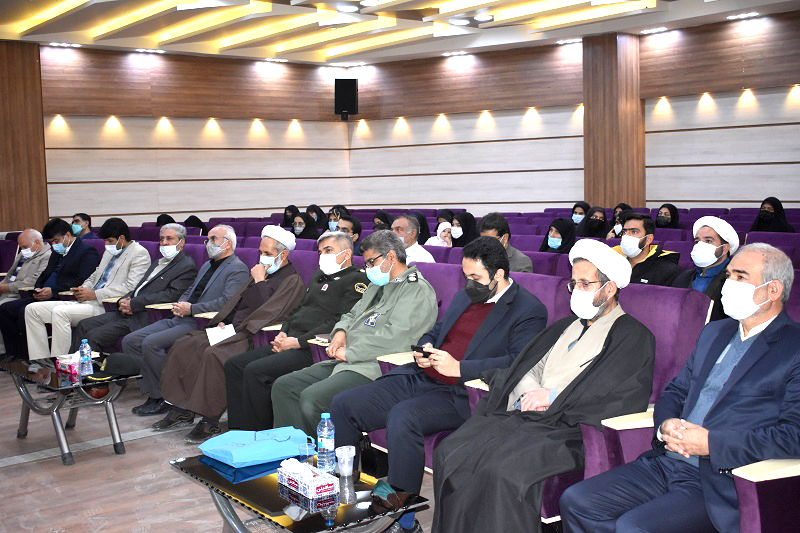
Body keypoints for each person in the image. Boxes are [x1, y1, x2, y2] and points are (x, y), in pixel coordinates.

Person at [560, 243, 798, 533]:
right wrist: (666, 425)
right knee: (577, 501)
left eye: (740, 276)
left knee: (633, 527)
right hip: (667, 462)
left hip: (721, 479)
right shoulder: (715, 332)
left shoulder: (793, 348)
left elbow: (793, 436)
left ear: (773, 290)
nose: (729, 284)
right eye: (728, 275)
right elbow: (675, 391)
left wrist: (712, 444)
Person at [431, 239, 655, 533]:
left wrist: (552, 396)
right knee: (450, 451)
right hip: (526, 416)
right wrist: (529, 392)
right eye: (573, 284)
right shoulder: (566, 325)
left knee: (502, 472)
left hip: (569, 430)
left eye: (585, 284)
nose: (576, 291)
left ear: (610, 288)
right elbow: (529, 365)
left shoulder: (633, 336)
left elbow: (618, 394)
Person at [330, 237, 548, 527]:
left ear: (498, 274)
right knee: (344, 404)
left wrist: (460, 368)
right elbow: (437, 330)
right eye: (466, 275)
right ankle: (346, 492)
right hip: (423, 376)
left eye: (475, 277)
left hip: (463, 393)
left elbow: (517, 362)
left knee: (403, 416)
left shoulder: (528, 309)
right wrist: (425, 347)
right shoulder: (465, 296)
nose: (469, 283)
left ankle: (401, 520)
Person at [271, 230, 438, 436]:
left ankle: (328, 454)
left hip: (376, 367)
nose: (368, 269)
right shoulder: (378, 285)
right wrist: (341, 331)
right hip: (347, 361)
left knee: (312, 398)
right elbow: (351, 314)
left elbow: (396, 337)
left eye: (371, 262)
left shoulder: (416, 289)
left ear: (391, 256)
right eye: (366, 263)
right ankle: (294, 449)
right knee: (284, 386)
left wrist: (350, 352)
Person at [156, 225, 306, 442]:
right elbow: (237, 302)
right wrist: (224, 321)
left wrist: (259, 281)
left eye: (267, 253)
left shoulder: (291, 280)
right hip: (232, 328)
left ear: (283, 255)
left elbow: (270, 312)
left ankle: (210, 420)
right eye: (261, 252)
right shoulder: (261, 271)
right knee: (186, 344)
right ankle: (182, 408)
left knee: (214, 354)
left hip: (253, 335)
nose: (262, 257)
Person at [224, 231, 369, 431]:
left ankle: (258, 433)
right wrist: (283, 332)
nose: (323, 255)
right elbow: (298, 309)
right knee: (234, 365)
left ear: (346, 254)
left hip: (313, 347)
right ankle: (238, 430)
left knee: (256, 371)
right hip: (290, 339)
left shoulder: (356, 281)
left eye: (328, 250)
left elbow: (339, 321)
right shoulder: (319, 275)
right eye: (320, 251)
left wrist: (297, 342)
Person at [122, 225, 249, 416]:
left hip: (201, 323)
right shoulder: (207, 265)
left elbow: (226, 302)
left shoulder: (237, 268)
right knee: (131, 341)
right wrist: (181, 303)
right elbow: (191, 290)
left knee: (150, 343)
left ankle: (165, 396)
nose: (207, 243)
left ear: (228, 243)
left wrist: (191, 309)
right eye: (207, 239)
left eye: (213, 239)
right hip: (181, 316)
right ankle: (157, 391)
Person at [25, 218, 151, 360]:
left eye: (109, 241)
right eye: (105, 241)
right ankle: (40, 361)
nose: (106, 245)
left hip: (106, 305)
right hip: (87, 300)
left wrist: (95, 294)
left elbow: (131, 287)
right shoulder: (110, 252)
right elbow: (95, 275)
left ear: (121, 238)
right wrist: (83, 288)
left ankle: (62, 363)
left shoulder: (139, 253)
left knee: (60, 313)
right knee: (32, 310)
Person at [72, 223, 197, 354]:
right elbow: (139, 287)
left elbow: (171, 295)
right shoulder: (158, 262)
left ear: (182, 242)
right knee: (83, 325)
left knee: (94, 336)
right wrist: (123, 300)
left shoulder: (186, 266)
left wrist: (134, 304)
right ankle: (71, 365)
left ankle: (90, 367)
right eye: (161, 239)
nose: (164, 243)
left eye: (169, 238)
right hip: (127, 311)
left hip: (145, 316)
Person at [0, 219, 99, 360]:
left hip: (62, 296)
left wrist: (53, 291)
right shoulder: (57, 251)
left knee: (24, 311)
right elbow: (45, 274)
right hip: (44, 295)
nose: (53, 244)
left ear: (67, 235)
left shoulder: (87, 251)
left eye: (56, 240)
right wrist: (38, 288)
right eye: (51, 241)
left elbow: (81, 280)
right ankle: (14, 353)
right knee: (5, 309)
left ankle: (31, 357)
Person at [673, 216, 739, 321]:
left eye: (708, 241)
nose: (700, 245)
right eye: (697, 241)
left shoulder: (736, 281)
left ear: (725, 248)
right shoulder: (683, 277)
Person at [0, 230, 51, 356]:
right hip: (8, 289)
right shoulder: (23, 254)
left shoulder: (47, 256)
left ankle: (4, 351)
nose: (22, 250)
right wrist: (2, 285)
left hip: (20, 292)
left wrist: (6, 288)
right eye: (21, 247)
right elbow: (9, 275)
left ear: (37, 242)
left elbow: (34, 281)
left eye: (24, 247)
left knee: (2, 307)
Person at [614, 212, 682, 286]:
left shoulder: (668, 271)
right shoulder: (612, 263)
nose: (626, 236)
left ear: (648, 239)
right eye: (624, 232)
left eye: (634, 232)